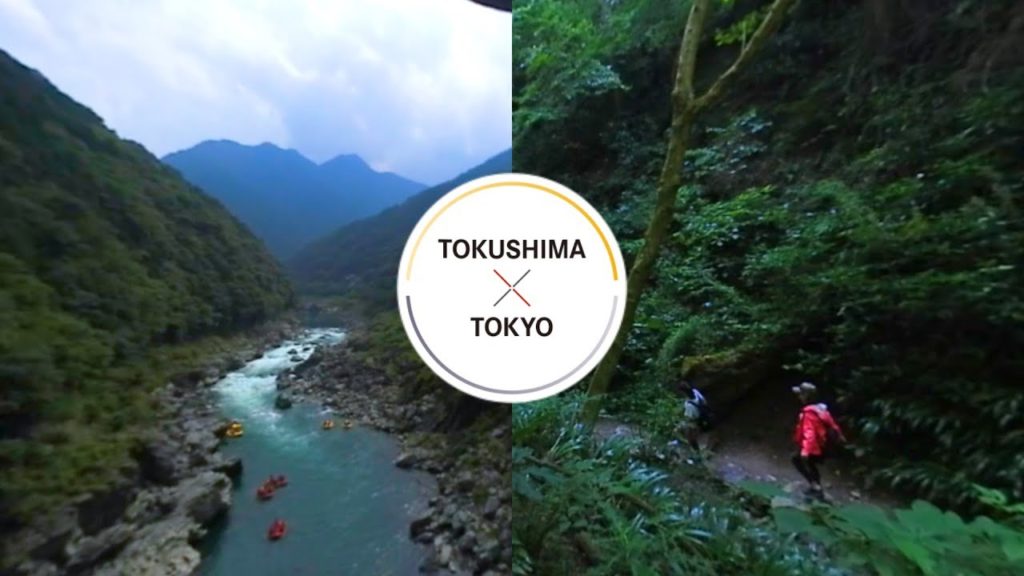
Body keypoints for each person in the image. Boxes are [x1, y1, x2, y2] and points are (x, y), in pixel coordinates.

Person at [790, 382, 846, 500]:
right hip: (822, 445)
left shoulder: (808, 414)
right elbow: (833, 425)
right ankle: (815, 487)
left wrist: (805, 450)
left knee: (797, 460)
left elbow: (809, 433)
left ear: (806, 396)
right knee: (810, 464)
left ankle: (816, 488)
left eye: (801, 394)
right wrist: (840, 437)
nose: (799, 397)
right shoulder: (820, 409)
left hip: (814, 447)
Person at [679, 380, 712, 452]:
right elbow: (704, 401)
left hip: (697, 420)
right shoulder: (696, 392)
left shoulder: (689, 405)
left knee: (689, 435)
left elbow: (690, 417)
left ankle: (696, 451)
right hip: (704, 413)